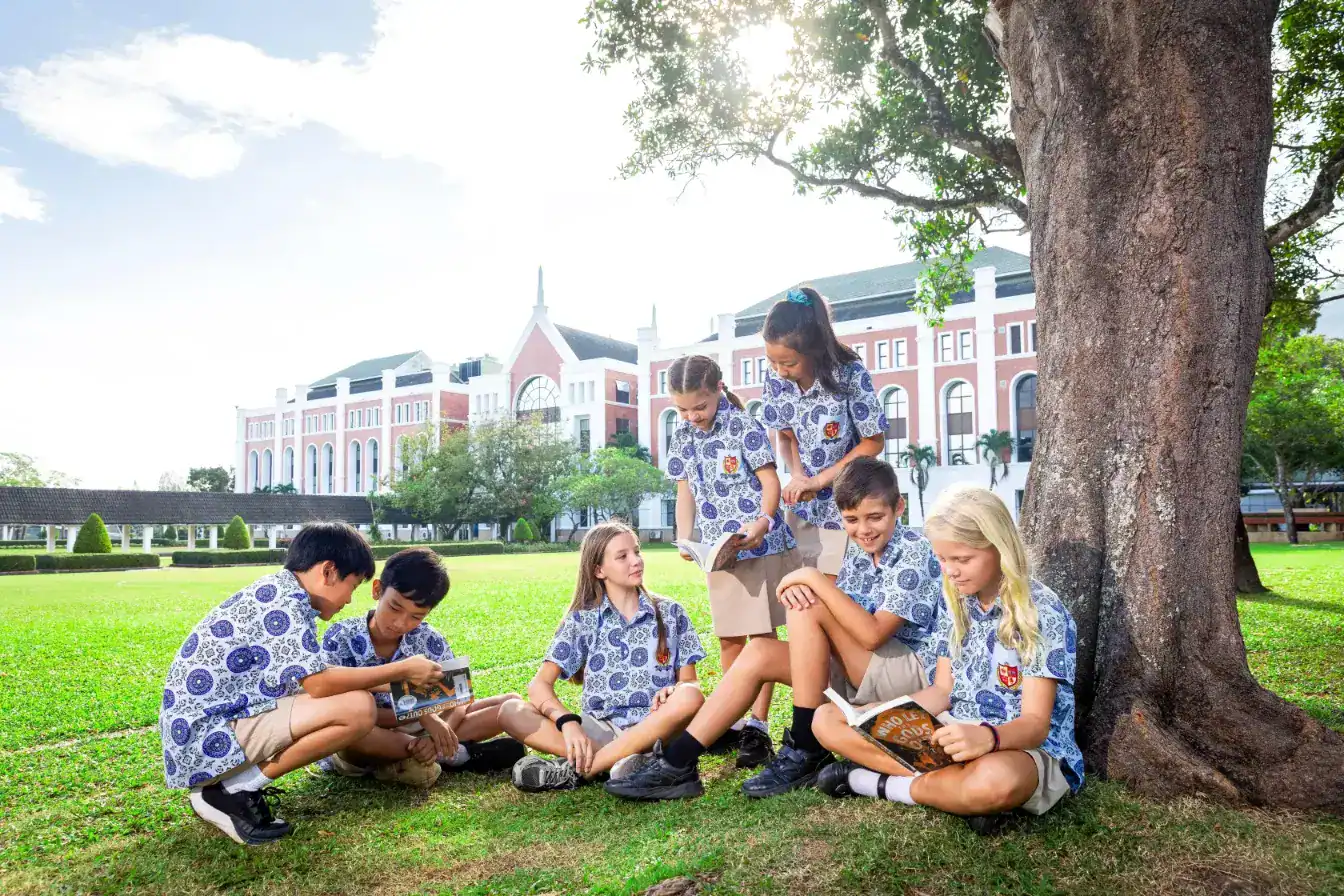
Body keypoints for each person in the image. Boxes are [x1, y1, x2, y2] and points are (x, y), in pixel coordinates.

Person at [608, 457, 939, 800]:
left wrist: (810, 579)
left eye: (875, 517)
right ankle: (678, 764)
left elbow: (873, 634)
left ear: (898, 507)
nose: (864, 529)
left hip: (908, 673)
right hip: (866, 666)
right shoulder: (858, 550)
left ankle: (806, 747)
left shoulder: (913, 550)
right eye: (852, 520)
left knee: (807, 602)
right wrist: (810, 588)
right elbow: (847, 620)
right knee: (761, 650)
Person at [814, 484, 1084, 835]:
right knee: (827, 719)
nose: (951, 571)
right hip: (951, 733)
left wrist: (987, 738)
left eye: (962, 559)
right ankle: (956, 793)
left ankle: (875, 783)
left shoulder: (1039, 612)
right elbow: (942, 691)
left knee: (995, 781)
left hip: (1014, 746)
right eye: (942, 559)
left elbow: (1035, 724)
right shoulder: (955, 600)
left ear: (999, 547)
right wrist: (884, 710)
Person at [159, 522, 442, 845]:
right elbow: (319, 685)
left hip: (207, 730)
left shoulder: (282, 594)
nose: (349, 600)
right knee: (358, 708)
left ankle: (234, 788)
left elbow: (309, 677)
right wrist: (401, 670)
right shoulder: (283, 603)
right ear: (329, 571)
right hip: (204, 740)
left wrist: (403, 685)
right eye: (352, 585)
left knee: (357, 700)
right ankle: (231, 791)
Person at [499, 521, 708, 794]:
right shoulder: (583, 619)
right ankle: (627, 765)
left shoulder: (671, 612)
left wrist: (675, 688)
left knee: (690, 696)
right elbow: (539, 686)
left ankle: (586, 768)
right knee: (510, 711)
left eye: (637, 552)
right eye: (622, 556)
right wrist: (568, 723)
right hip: (599, 729)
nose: (636, 561)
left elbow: (690, 684)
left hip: (657, 729)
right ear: (599, 570)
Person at [665, 354, 801, 768]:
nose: (692, 416)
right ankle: (735, 719)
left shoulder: (744, 426)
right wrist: (686, 539)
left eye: (699, 407)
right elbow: (684, 492)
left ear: (718, 390)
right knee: (728, 638)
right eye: (683, 409)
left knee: (760, 636)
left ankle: (757, 727)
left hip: (757, 545)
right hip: (720, 555)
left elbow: (769, 482)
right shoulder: (683, 435)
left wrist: (762, 521)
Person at [317, 547, 525, 787]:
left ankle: (426, 755)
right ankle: (457, 755)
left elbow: (458, 700)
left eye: (416, 616)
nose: (400, 623)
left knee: (510, 703)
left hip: (420, 727)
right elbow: (337, 707)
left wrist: (437, 732)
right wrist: (423, 717)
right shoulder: (340, 637)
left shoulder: (428, 639)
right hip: (370, 731)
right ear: (377, 590)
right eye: (394, 608)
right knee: (352, 735)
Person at [760, 286, 886, 577]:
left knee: (843, 591)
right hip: (804, 508)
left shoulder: (849, 372)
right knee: (804, 591)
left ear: (813, 351)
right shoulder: (776, 380)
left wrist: (819, 481)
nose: (779, 370)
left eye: (788, 363)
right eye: (772, 362)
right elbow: (785, 434)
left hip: (852, 504)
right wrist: (799, 476)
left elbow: (873, 441)